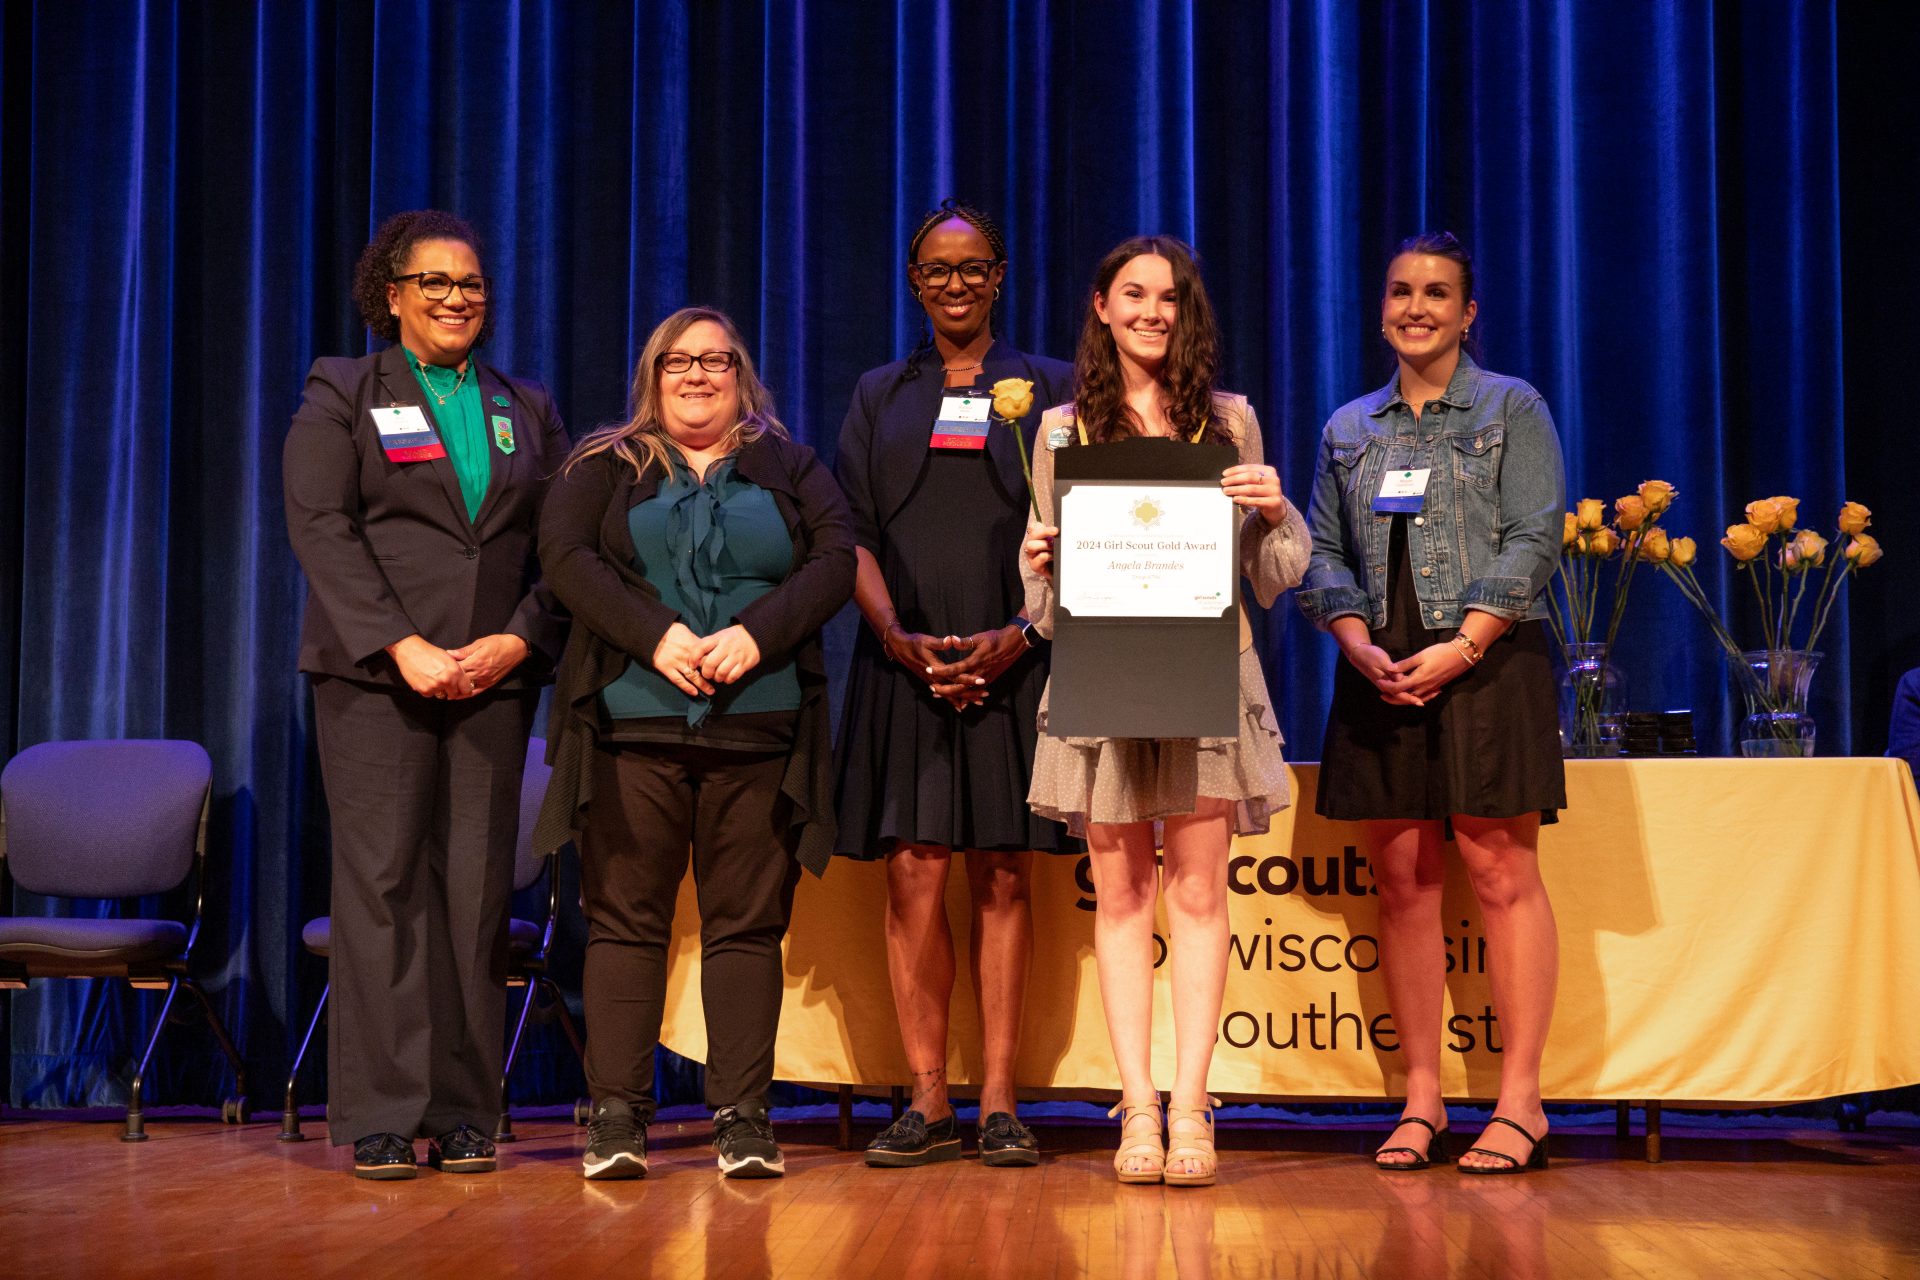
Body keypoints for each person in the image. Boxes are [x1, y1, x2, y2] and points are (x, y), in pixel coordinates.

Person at [533, 306, 854, 1181]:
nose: (697, 375)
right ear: (652, 375)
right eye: (678, 362)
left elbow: (836, 557)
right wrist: (655, 635)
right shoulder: (603, 465)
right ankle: (617, 1119)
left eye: (715, 360)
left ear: (742, 375)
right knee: (627, 924)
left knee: (745, 927)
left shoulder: (790, 465)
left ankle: (744, 1120)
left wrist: (758, 634)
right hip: (632, 724)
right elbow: (564, 558)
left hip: (759, 724)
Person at [283, 209, 569, 1180]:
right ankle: (378, 1109)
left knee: (477, 894)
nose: (457, 298)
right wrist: (400, 642)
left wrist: (516, 638)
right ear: (393, 295)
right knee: (384, 887)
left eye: (472, 284)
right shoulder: (344, 389)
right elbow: (321, 526)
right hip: (375, 677)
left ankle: (461, 1109)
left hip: (491, 678)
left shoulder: (523, 404)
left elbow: (561, 551)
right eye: (436, 283)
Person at [1020, 236, 1309, 1186]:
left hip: (1206, 673)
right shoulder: (1060, 430)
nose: (1152, 311)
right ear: (1100, 306)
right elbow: (1053, 606)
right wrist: (1035, 573)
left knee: (1197, 891)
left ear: (1189, 314)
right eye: (1133, 294)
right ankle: (1134, 1108)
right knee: (1121, 894)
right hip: (1104, 681)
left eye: (1170, 298)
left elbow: (1268, 580)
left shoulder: (1230, 421)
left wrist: (1275, 513)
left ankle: (1194, 1106)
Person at [1297, 231, 1566, 1175]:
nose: (1418, 307)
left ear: (1468, 312)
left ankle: (1521, 1102)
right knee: (1403, 883)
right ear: (1382, 308)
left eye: (1438, 293)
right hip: (1379, 669)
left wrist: (1463, 645)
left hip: (1486, 662)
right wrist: (1354, 640)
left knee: (1500, 874)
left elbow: (1537, 534)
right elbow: (1321, 552)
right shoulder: (1348, 427)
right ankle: (1423, 1096)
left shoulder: (1508, 406)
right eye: (1402, 291)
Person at [832, 200, 1076, 1169]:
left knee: (1007, 872)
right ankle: (929, 1098)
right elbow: (847, 527)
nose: (957, 284)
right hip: (905, 664)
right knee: (915, 872)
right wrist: (895, 635)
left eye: (975, 268)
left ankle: (1001, 1101)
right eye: (938, 269)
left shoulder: (1051, 389)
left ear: (1001, 276)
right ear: (914, 281)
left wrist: (1019, 634)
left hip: (1017, 658)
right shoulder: (878, 393)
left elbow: (1078, 523)